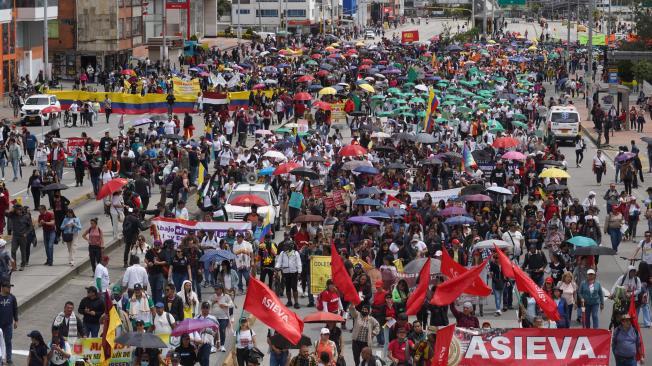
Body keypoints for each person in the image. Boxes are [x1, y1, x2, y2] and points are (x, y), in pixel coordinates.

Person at [195, 301, 219, 366]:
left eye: (207, 308)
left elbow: (217, 330)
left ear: (209, 309)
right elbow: (193, 330)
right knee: (200, 359)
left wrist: (218, 341)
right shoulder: (197, 318)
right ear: (201, 308)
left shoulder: (213, 319)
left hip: (208, 342)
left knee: (205, 358)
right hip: (198, 342)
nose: (205, 309)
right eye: (204, 307)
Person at [209, 285, 233, 352]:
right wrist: (213, 302)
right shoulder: (213, 296)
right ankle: (213, 346)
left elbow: (231, 304)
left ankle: (222, 345)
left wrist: (225, 305)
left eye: (218, 289)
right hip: (214, 317)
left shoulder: (226, 296)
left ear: (221, 289)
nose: (216, 291)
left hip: (224, 317)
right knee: (213, 331)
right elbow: (207, 303)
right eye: (215, 289)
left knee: (222, 331)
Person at [0, 281, 16, 365]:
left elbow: (15, 309)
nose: (9, 288)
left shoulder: (12, 297)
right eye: (8, 287)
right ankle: (1, 358)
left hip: (8, 324)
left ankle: (9, 358)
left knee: (8, 341)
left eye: (10, 287)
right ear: (2, 287)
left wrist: (16, 320)